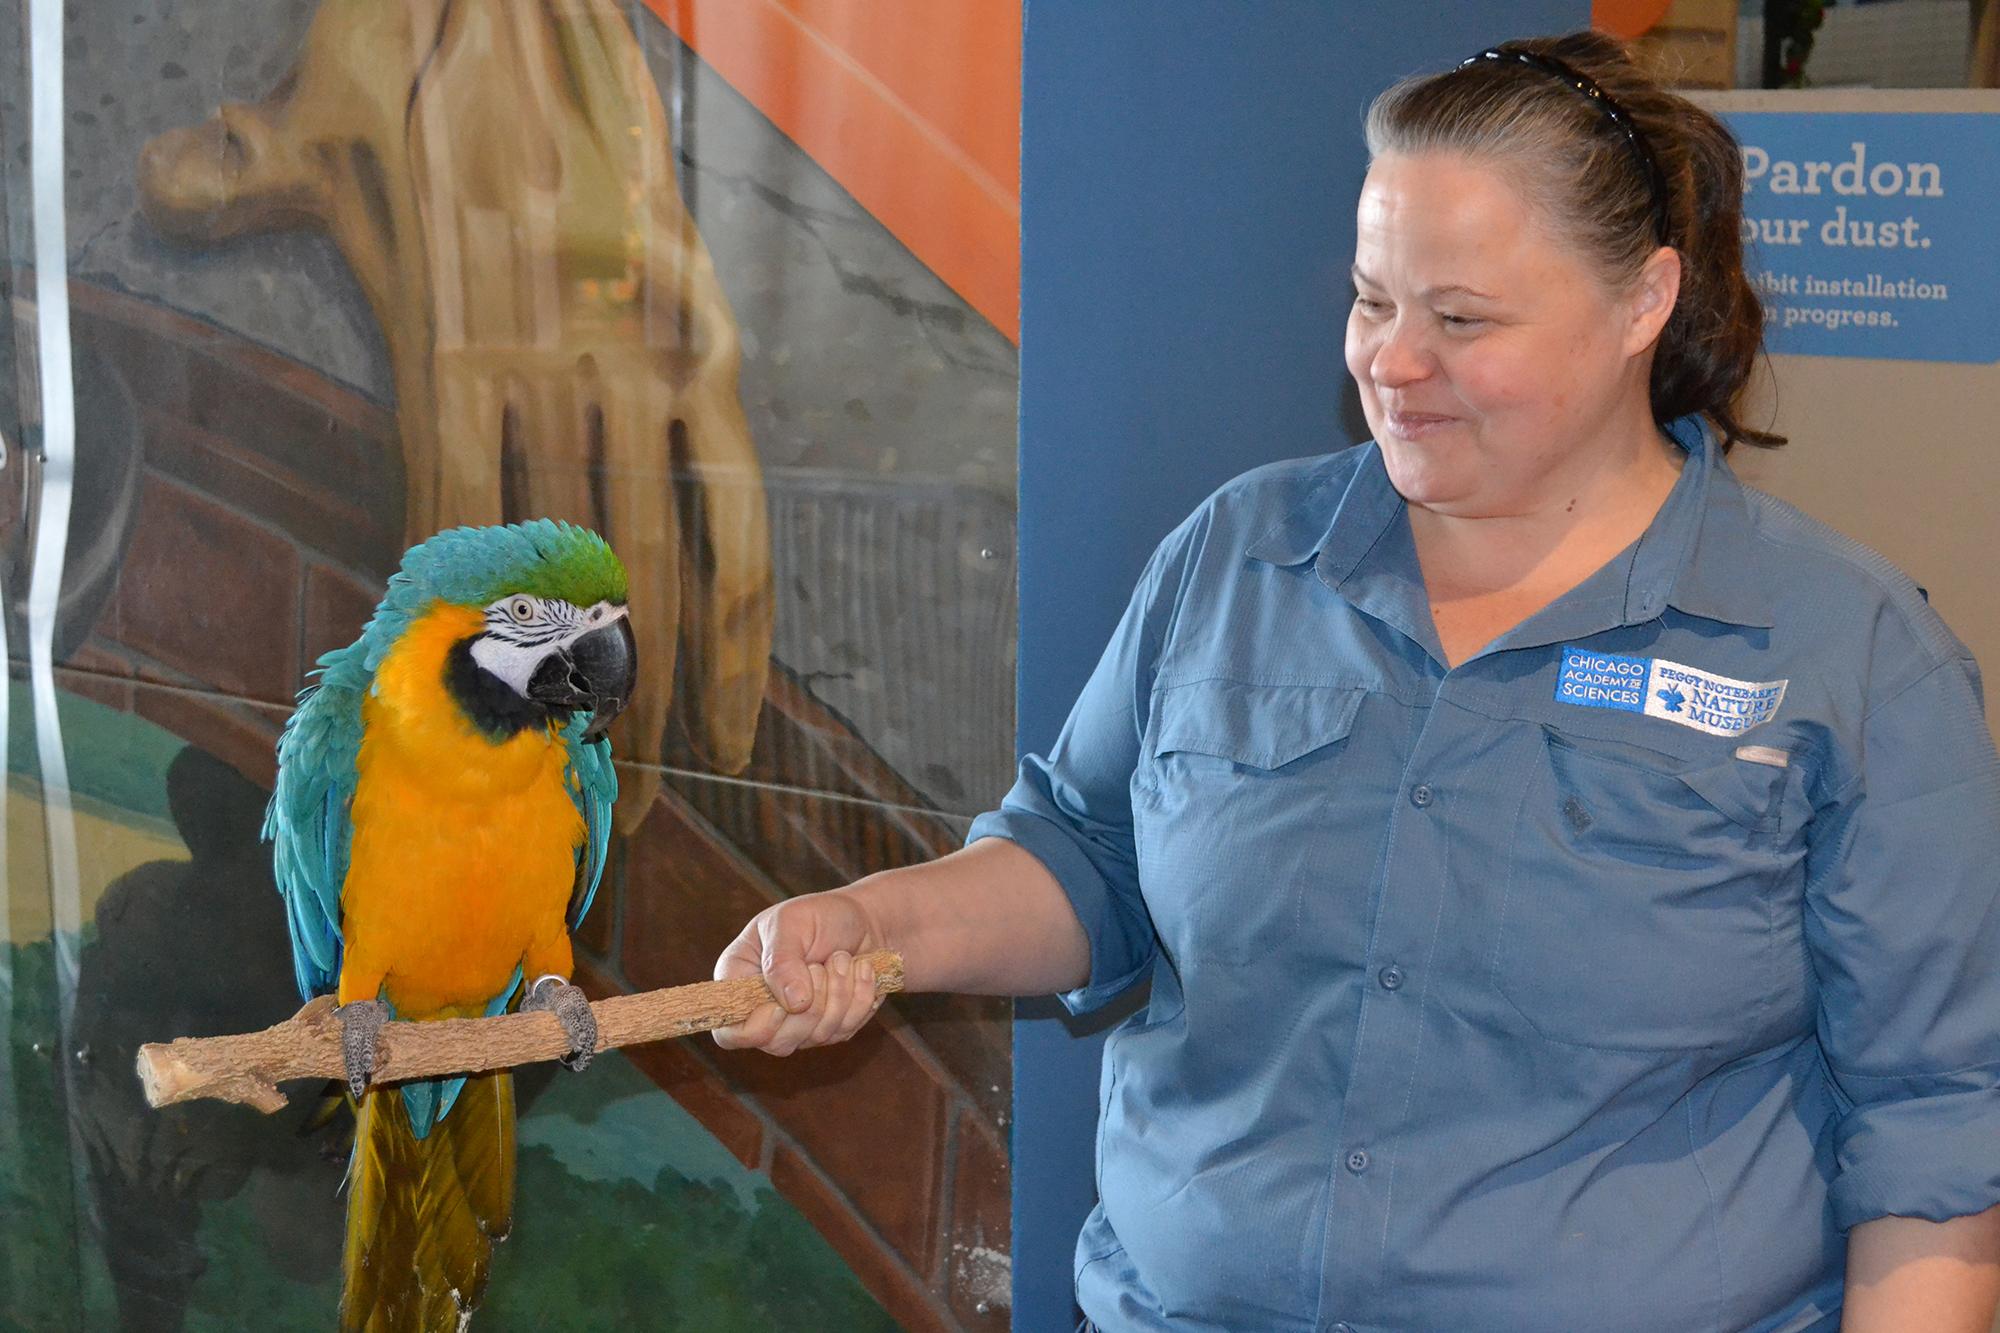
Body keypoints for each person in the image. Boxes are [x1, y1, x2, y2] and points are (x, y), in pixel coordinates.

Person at [711, 30, 2000, 1331]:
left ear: (1641, 304)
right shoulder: (1237, 554)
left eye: (1460, 318)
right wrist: (873, 926)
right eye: (1373, 300)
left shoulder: (1851, 657)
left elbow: (1933, 1135)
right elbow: (1089, 855)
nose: (1390, 361)